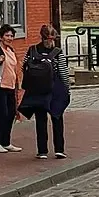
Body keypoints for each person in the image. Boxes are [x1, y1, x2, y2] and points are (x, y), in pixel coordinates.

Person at [19, 24, 71, 159]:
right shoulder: (57, 52)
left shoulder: (32, 50)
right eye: (50, 39)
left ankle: (42, 151)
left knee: (40, 121)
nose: (51, 42)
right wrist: (67, 90)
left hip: (37, 90)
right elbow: (63, 73)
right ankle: (59, 149)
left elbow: (24, 68)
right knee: (57, 118)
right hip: (54, 89)